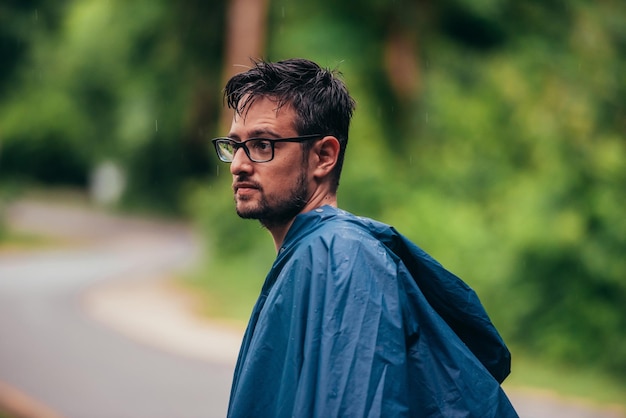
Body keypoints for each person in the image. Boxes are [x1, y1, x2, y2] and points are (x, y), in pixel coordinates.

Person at [212, 58, 518, 417]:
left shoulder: (341, 258)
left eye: (263, 144)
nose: (238, 165)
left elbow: (358, 403)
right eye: (235, 145)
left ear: (324, 156)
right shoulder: (311, 254)